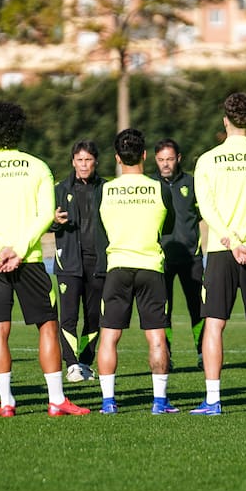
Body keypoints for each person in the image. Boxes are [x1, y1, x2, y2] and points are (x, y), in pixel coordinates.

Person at [0, 101, 89, 417]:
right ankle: (56, 400)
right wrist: (19, 248)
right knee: (47, 326)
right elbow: (46, 214)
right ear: (20, 128)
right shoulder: (37, 166)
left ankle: (6, 403)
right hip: (27, 259)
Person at [191, 92, 246, 415]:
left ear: (225, 120)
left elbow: (206, 208)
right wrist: (244, 237)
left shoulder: (207, 160)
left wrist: (230, 238)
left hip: (220, 249)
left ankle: (213, 400)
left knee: (214, 324)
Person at [94, 128, 177, 415]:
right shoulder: (160, 188)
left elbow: (100, 229)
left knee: (109, 336)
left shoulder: (104, 190)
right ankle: (159, 402)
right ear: (144, 155)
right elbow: (168, 227)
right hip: (151, 267)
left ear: (117, 158)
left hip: (117, 266)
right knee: (156, 336)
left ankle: (108, 402)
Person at [51, 140, 107, 382]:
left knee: (94, 316)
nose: (84, 165)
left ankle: (85, 362)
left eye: (88, 160)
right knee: (69, 316)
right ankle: (71, 364)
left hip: (98, 262)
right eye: (79, 160)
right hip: (69, 262)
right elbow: (45, 222)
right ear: (73, 161)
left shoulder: (107, 189)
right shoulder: (59, 189)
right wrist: (54, 221)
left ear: (95, 162)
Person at [152, 138, 205, 367]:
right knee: (164, 310)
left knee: (199, 308)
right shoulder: (150, 185)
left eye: (170, 159)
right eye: (162, 159)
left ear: (179, 159)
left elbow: (202, 213)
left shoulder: (192, 184)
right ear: (155, 159)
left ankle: (204, 353)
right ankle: (167, 356)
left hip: (191, 257)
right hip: (161, 258)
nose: (166, 164)